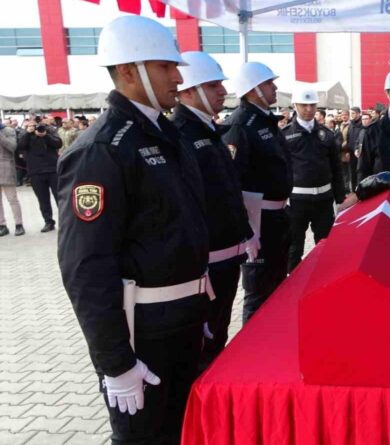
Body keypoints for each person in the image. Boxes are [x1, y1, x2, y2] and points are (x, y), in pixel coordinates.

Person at [57, 16, 211, 444]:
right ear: (128, 71)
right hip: (143, 333)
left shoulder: (167, 133)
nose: (178, 78)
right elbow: (86, 267)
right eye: (166, 66)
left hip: (181, 321)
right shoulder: (102, 149)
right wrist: (116, 363)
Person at [171, 51, 255, 370]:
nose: (222, 90)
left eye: (220, 83)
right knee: (204, 348)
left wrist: (246, 233)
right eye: (211, 85)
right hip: (206, 266)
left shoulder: (208, 129)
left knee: (216, 339)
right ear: (187, 91)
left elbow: (227, 190)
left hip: (226, 256)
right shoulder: (181, 134)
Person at [224, 61, 292, 324]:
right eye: (268, 83)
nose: (274, 87)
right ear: (253, 89)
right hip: (258, 222)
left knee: (276, 286)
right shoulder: (240, 125)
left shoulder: (265, 121)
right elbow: (233, 182)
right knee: (257, 292)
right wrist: (247, 230)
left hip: (277, 219)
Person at [283, 89, 345, 272]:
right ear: (295, 105)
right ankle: (292, 289)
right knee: (294, 248)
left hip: (324, 200)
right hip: (296, 201)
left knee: (325, 246)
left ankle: (322, 283)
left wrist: (340, 199)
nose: (309, 109)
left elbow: (336, 168)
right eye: (304, 105)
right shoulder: (285, 134)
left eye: (312, 105)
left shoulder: (327, 134)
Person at [18, 121, 62, 232]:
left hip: (52, 170)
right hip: (35, 171)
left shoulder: (50, 131)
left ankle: (65, 221)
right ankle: (48, 222)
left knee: (60, 197)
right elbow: (21, 146)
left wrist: (45, 135)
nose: (36, 127)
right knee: (43, 199)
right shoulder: (26, 135)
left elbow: (58, 144)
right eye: (31, 125)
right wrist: (28, 133)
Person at [0, 119, 23, 236]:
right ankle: (2, 225)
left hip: (6, 169)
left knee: (12, 199)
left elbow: (12, 147)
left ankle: (19, 224)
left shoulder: (9, 130)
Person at [344, 106, 364, 192]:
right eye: (351, 113)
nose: (352, 115)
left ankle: (360, 189)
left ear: (359, 114)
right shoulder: (351, 124)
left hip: (360, 153)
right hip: (351, 152)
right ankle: (353, 191)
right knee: (352, 172)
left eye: (353, 113)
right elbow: (348, 138)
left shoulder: (362, 124)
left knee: (360, 171)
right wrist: (348, 151)